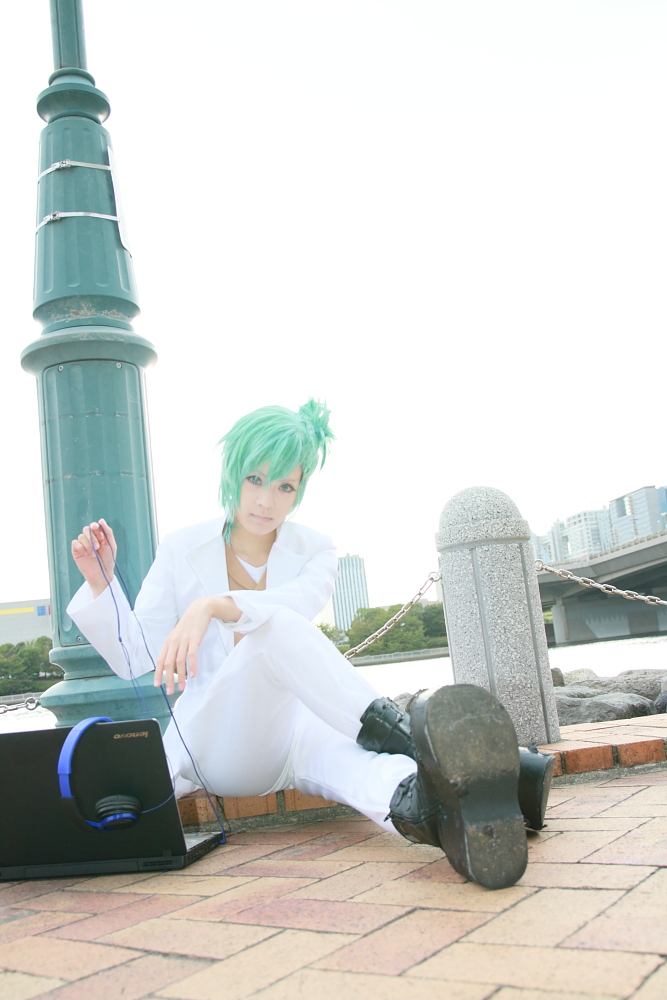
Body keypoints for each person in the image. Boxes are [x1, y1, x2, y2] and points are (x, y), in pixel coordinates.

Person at [67, 399, 543, 890]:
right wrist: (102, 584)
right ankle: (418, 741)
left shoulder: (315, 549)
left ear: (299, 490)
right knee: (277, 628)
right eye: (255, 479)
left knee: (365, 771)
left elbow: (293, 602)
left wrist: (210, 606)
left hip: (297, 733)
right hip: (219, 744)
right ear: (231, 473)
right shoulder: (181, 548)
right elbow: (135, 658)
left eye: (284, 487)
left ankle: (445, 820)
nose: (266, 501)